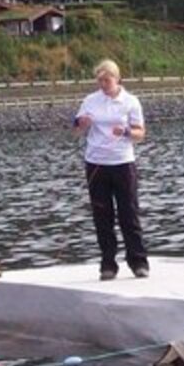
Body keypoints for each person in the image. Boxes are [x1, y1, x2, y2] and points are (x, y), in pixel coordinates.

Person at [73, 59, 149, 281]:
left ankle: (138, 261)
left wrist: (126, 132)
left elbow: (140, 133)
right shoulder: (90, 100)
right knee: (102, 215)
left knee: (129, 213)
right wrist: (82, 124)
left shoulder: (131, 102)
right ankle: (108, 264)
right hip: (96, 163)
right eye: (100, 81)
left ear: (117, 79)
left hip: (123, 163)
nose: (103, 84)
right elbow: (76, 131)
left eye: (107, 80)